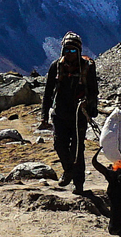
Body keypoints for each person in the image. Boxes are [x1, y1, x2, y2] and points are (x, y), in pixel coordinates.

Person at [40, 33, 100, 195]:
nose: (69, 54)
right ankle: (68, 170)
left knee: (77, 149)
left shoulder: (88, 67)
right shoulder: (56, 66)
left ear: (79, 51)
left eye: (73, 51)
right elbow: (48, 93)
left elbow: (94, 90)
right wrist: (44, 115)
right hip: (59, 114)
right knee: (59, 145)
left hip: (79, 115)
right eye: (67, 50)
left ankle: (78, 184)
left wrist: (89, 104)